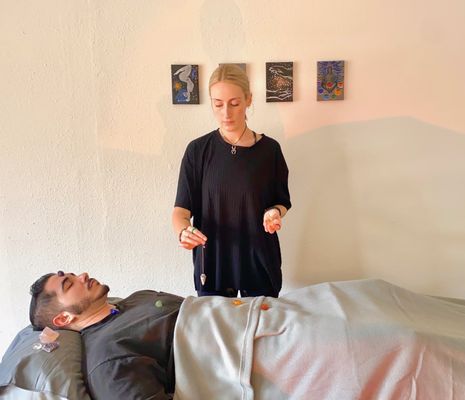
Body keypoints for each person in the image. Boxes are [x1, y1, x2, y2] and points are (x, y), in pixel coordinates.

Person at [28, 271, 465, 400]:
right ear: (63, 321)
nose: (81, 275)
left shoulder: (132, 300)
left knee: (375, 294)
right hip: (258, 352)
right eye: (68, 284)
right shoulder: (108, 359)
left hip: (266, 312)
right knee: (400, 341)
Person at [172, 64, 291, 297]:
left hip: (259, 262)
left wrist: (274, 213)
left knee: (262, 331)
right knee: (217, 333)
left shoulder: (270, 150)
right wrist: (184, 232)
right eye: (218, 104)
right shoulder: (198, 151)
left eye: (234, 103)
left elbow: (282, 201)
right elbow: (180, 212)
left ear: (248, 100)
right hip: (213, 265)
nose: (226, 113)